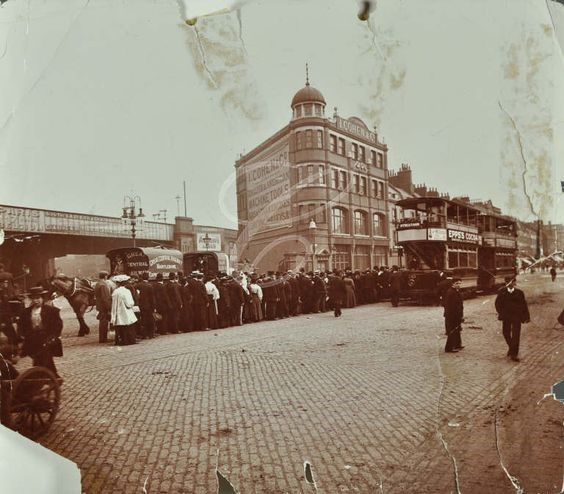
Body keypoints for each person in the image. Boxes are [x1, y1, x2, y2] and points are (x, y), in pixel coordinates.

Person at [19, 286, 63, 377]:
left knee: (44, 358)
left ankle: (42, 377)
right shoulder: (26, 312)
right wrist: (24, 336)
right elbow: (22, 326)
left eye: (38, 298)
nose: (36, 301)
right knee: (40, 359)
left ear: (42, 298)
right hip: (33, 340)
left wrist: (53, 336)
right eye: (34, 298)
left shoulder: (51, 311)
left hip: (47, 339)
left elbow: (58, 325)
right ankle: (53, 377)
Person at [495, 276, 530, 362]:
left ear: (514, 283)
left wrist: (526, 317)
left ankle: (514, 354)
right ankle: (511, 348)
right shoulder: (501, 292)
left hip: (516, 317)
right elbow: (497, 304)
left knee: (516, 335)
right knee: (505, 333)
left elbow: (524, 305)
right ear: (506, 283)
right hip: (506, 316)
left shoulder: (519, 293)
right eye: (508, 282)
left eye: (512, 282)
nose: (510, 284)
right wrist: (501, 313)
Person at [110, 275, 137, 345]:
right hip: (126, 311)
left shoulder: (115, 292)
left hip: (118, 312)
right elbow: (129, 303)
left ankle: (120, 340)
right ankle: (129, 340)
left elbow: (113, 304)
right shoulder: (126, 291)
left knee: (120, 326)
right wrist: (132, 304)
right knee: (128, 325)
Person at [444, 277, 464, 353]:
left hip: (456, 314)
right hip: (452, 315)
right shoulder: (451, 292)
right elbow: (450, 306)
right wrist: (454, 316)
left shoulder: (455, 291)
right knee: (452, 331)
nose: (459, 285)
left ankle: (457, 345)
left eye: (459, 283)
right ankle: (449, 348)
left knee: (457, 330)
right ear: (453, 284)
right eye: (457, 283)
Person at [94, 271, 112, 343]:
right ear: (105, 276)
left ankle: (102, 338)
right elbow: (105, 298)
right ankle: (103, 339)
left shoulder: (98, 284)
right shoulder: (103, 285)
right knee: (104, 323)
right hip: (104, 307)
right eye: (106, 276)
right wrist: (109, 307)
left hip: (100, 306)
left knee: (102, 322)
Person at [137, 272, 156, 339]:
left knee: (143, 320)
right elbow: (152, 298)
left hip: (141, 306)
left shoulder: (138, 285)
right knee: (150, 320)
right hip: (149, 306)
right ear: (148, 278)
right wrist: (153, 307)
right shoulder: (150, 286)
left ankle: (144, 335)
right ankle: (151, 334)